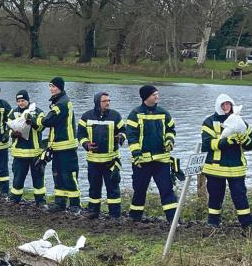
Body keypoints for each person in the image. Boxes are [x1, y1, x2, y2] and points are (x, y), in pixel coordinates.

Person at [201, 94, 252, 228]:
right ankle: (213, 222)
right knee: (215, 196)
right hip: (215, 168)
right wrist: (226, 141)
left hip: (236, 167)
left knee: (240, 196)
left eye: (228, 104)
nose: (226, 107)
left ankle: (247, 224)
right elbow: (207, 144)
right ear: (218, 106)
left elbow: (251, 145)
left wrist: (245, 140)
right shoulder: (209, 122)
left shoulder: (240, 121)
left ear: (232, 105)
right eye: (223, 105)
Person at [126, 85, 178, 222]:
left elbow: (171, 129)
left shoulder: (164, 113)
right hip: (142, 161)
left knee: (167, 190)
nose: (157, 96)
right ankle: (134, 219)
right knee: (139, 190)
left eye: (157, 94)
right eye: (154, 94)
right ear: (146, 97)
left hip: (162, 160)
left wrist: (169, 141)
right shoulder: (135, 114)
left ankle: (173, 220)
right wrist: (137, 155)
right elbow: (131, 136)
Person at [77, 91, 125, 219]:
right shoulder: (86, 116)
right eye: (105, 101)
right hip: (93, 161)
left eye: (109, 101)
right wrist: (86, 144)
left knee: (113, 188)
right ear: (97, 102)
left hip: (111, 160)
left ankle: (115, 215)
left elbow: (124, 131)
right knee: (94, 187)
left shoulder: (115, 116)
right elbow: (80, 134)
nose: (107, 103)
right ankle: (93, 212)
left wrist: (120, 137)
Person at [41, 77, 81, 212]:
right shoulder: (59, 101)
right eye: (50, 86)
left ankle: (75, 205)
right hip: (58, 146)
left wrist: (36, 119)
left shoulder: (62, 103)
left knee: (69, 175)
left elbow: (48, 120)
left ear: (60, 88)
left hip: (66, 146)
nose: (51, 89)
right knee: (57, 175)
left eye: (53, 86)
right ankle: (60, 203)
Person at [8, 90, 47, 206]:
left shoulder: (38, 112)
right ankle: (15, 199)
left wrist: (32, 122)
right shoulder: (13, 113)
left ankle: (40, 201)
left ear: (28, 100)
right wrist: (13, 133)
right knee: (18, 178)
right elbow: (9, 128)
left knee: (38, 178)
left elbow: (41, 127)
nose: (21, 103)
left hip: (35, 153)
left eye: (23, 100)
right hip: (19, 153)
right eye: (18, 101)